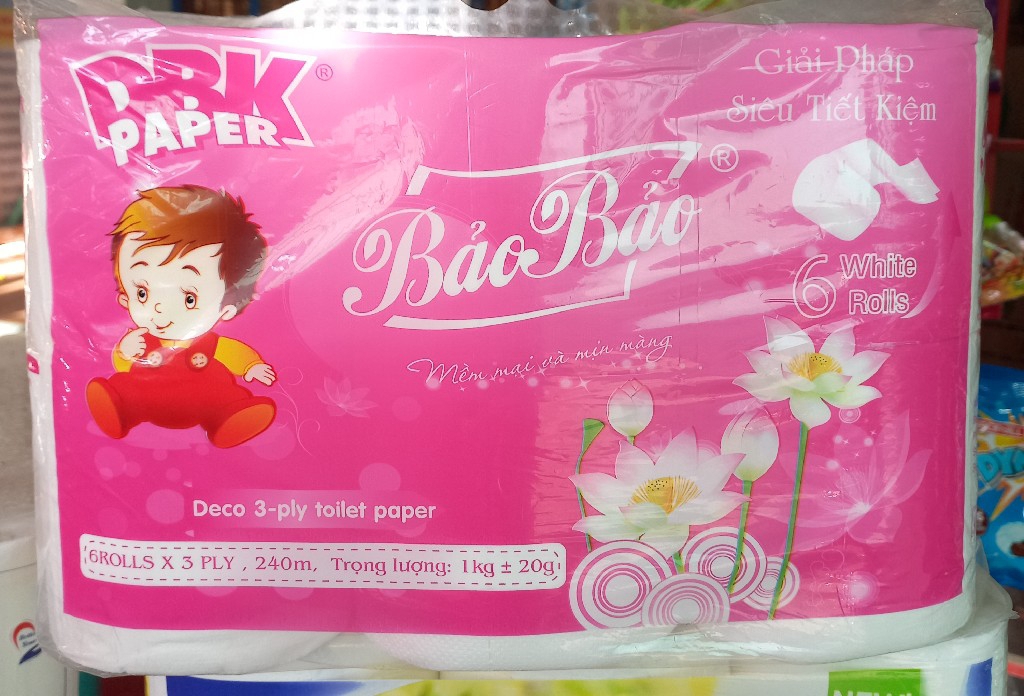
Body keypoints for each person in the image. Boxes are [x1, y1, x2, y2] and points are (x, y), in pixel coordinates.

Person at [86, 186, 277, 448]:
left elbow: (233, 352)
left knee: (223, 396)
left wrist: (251, 366)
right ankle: (119, 406)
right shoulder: (143, 340)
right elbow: (123, 365)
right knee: (127, 387)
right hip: (146, 395)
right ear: (125, 298)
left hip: (205, 400)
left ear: (226, 309)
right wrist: (126, 350)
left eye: (189, 298)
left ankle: (229, 416)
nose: (160, 309)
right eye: (142, 293)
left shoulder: (209, 345)